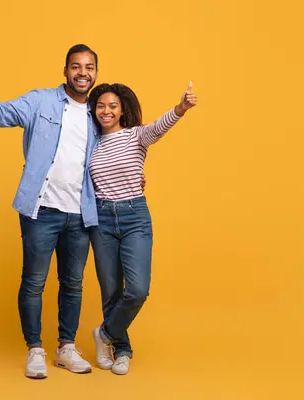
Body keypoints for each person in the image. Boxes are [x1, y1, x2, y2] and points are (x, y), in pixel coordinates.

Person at [0, 44, 101, 379]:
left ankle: (66, 348)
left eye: (89, 67)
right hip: (41, 210)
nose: (83, 73)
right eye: (76, 66)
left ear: (96, 72)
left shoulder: (99, 112)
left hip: (81, 214)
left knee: (73, 283)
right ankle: (35, 349)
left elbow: (116, 148)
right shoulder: (41, 101)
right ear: (65, 70)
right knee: (34, 281)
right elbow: (2, 113)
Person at [87, 82, 197, 375]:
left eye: (112, 106)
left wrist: (181, 108)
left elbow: (160, 126)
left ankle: (105, 335)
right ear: (94, 110)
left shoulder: (136, 135)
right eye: (100, 106)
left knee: (136, 289)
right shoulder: (91, 142)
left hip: (135, 216)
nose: (106, 110)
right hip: (101, 219)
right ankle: (122, 350)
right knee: (110, 290)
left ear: (122, 109)